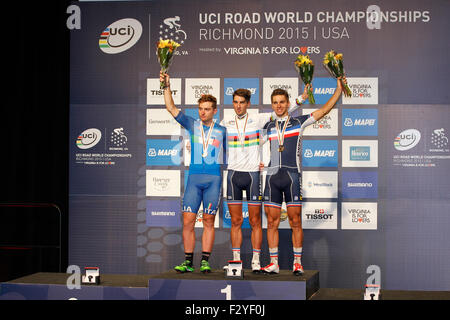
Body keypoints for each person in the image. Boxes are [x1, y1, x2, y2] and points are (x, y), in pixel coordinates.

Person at [261, 78, 345, 275]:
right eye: (275, 102)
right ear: (272, 105)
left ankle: (297, 262)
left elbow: (324, 111)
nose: (279, 105)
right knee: (272, 222)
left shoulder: (299, 122)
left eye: (282, 102)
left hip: (292, 176)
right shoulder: (267, 126)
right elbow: (246, 144)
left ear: (288, 103)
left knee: (295, 221)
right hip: (272, 177)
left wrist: (338, 90)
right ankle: (273, 263)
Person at [220, 87, 309, 273]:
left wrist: (300, 99)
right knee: (236, 221)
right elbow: (213, 135)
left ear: (248, 104)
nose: (238, 106)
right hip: (233, 174)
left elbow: (282, 111)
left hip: (253, 174)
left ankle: (255, 262)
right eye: (235, 102)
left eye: (242, 102)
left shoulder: (259, 119)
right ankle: (236, 261)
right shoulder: (225, 122)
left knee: (255, 221)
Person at [160, 71, 227, 273]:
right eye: (200, 109)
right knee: (188, 221)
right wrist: (166, 86)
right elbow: (171, 108)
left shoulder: (223, 130)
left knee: (208, 221)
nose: (202, 112)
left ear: (215, 111)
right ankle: (188, 262)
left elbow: (234, 154)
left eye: (207, 109)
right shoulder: (192, 124)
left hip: (214, 180)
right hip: (194, 179)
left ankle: (205, 261)